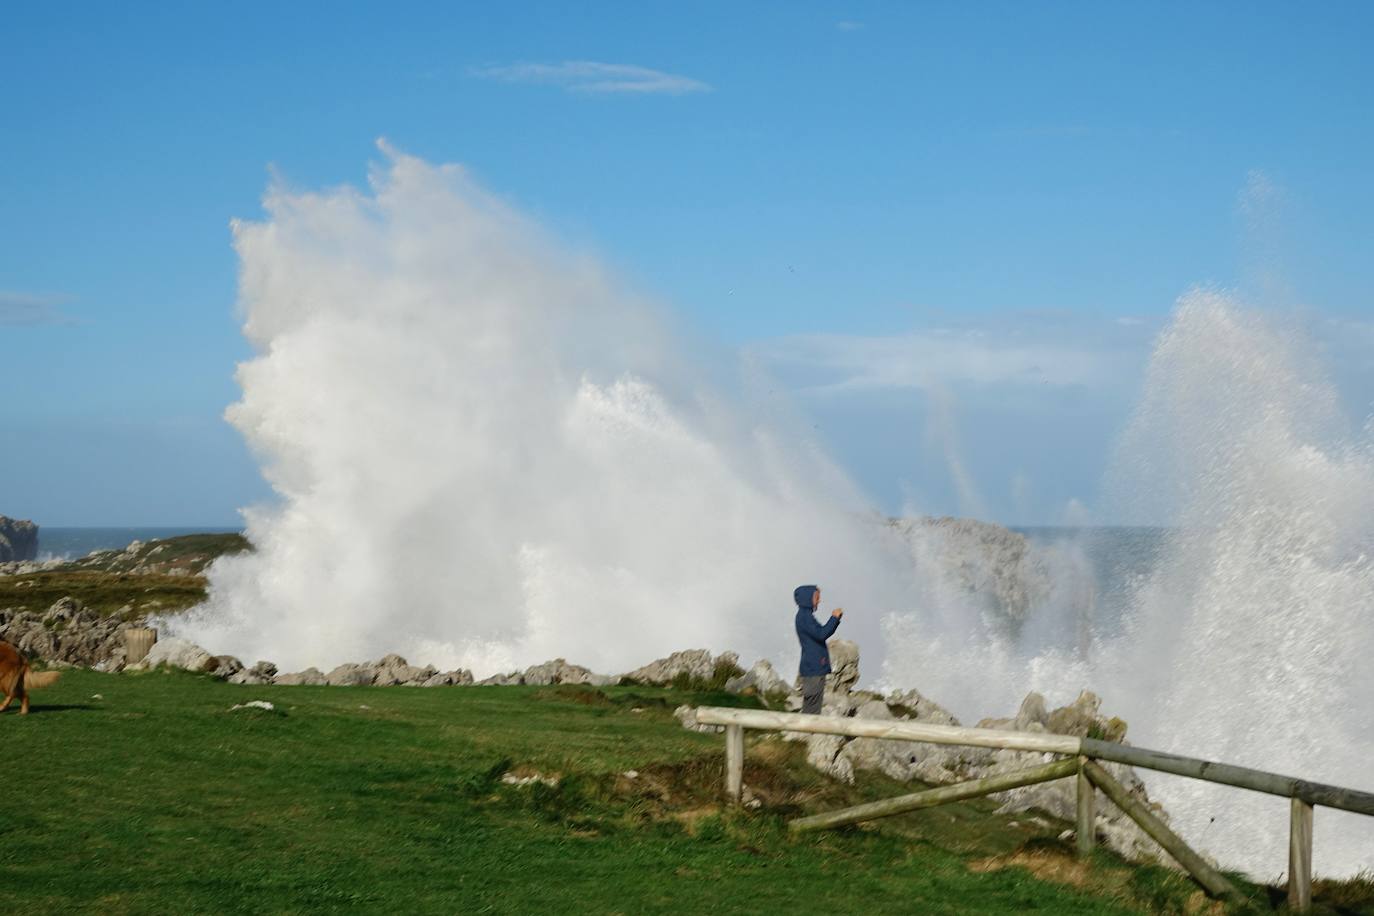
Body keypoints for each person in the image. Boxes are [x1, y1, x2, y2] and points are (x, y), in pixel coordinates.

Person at [794, 584, 843, 714]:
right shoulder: (805, 617)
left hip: (814, 667)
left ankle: (808, 730)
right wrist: (834, 618)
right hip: (813, 668)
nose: (819, 600)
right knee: (812, 705)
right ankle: (808, 731)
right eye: (816, 597)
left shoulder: (805, 616)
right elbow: (822, 634)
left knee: (813, 703)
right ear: (807, 598)